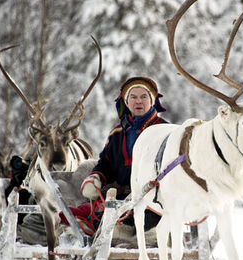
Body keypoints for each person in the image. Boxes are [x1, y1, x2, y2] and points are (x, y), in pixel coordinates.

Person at [62, 76, 168, 234]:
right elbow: (105, 163)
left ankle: (110, 229)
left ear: (152, 101)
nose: (138, 101)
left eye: (144, 97)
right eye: (133, 97)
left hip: (153, 199)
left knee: (121, 221)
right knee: (75, 214)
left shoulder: (164, 131)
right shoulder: (117, 133)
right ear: (126, 102)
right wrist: (96, 177)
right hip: (118, 197)